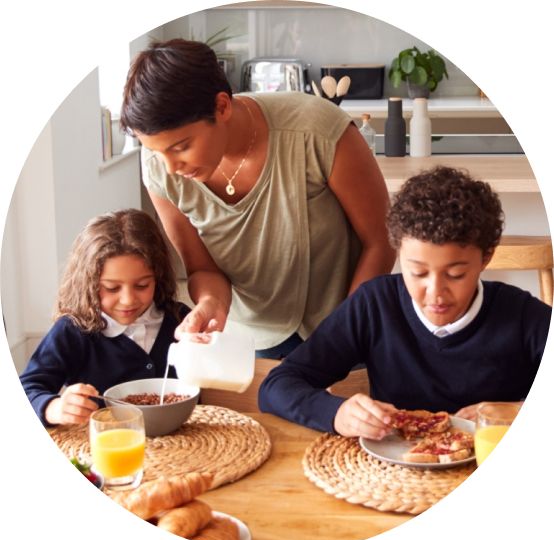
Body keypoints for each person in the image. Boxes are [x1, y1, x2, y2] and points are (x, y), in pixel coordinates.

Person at [119, 39, 395, 358]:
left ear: (221, 107)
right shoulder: (159, 169)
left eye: (181, 146)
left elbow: (381, 239)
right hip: (249, 340)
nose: (171, 167)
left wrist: (347, 331)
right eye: (157, 152)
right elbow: (202, 270)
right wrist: (210, 305)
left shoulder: (316, 131)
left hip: (343, 323)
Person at [258, 166, 551, 438]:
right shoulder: (374, 305)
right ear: (399, 253)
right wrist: (336, 413)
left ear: (485, 258)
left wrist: (519, 410)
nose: (435, 292)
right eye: (418, 272)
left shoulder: (522, 316)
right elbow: (276, 387)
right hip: (394, 476)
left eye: (456, 274)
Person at [19, 209, 190, 426]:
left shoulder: (180, 320)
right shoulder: (73, 330)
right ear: (88, 283)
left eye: (141, 285)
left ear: (158, 277)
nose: (128, 300)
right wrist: (54, 407)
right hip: (106, 449)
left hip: (185, 448)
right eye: (111, 288)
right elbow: (27, 388)